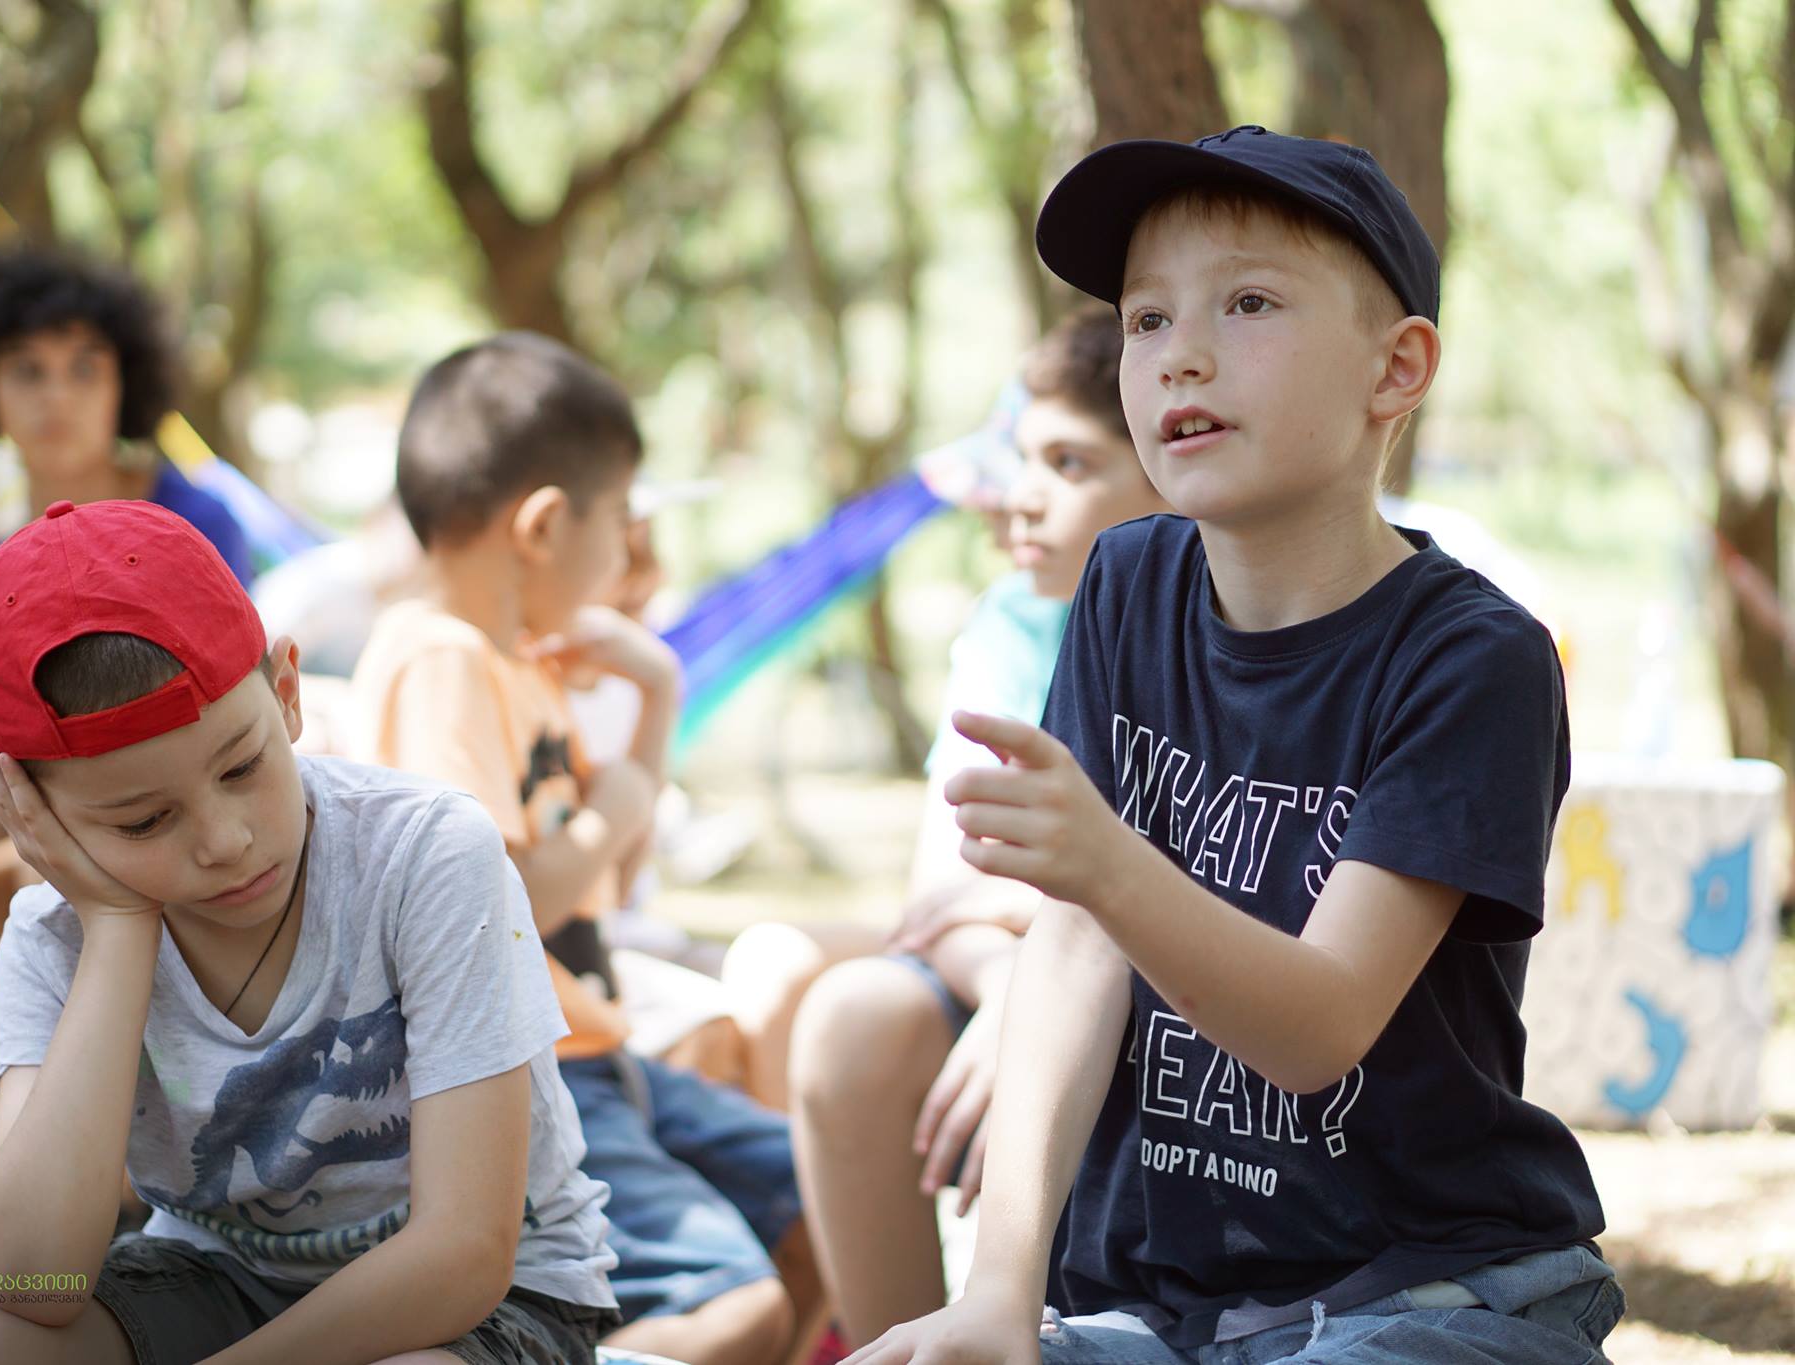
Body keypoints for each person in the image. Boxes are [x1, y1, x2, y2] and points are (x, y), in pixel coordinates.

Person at [850, 127, 1618, 1365]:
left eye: (1247, 303)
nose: (1179, 354)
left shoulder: (1471, 659)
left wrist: (1104, 865)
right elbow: (1072, 947)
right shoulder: (1126, 583)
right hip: (1163, 1313)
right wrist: (998, 1294)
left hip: (1427, 1297)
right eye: (1146, 319)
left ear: (1395, 368)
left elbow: (1318, 1030)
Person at [0, 498, 615, 1365]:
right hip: (219, 1276)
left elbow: (464, 1252)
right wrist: (119, 924)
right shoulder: (56, 937)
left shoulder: (425, 854)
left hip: (487, 1304)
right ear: (31, 811)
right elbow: (29, 1279)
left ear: (286, 693)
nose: (224, 840)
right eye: (143, 820)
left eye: (242, 767)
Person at [349, 333, 815, 1365]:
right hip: (530, 1077)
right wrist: (622, 800)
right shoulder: (439, 661)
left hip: (601, 1053)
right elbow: (500, 899)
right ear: (546, 525)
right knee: (732, 1310)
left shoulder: (520, 666)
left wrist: (655, 695)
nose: (627, 551)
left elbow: (615, 868)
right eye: (620, 519)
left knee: (826, 1196)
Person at [754, 308, 1171, 1347]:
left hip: (1171, 982)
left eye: (1068, 463)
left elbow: (1181, 889)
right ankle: (883, 1333)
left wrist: (1035, 921)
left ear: (1170, 469)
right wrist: (1010, 986)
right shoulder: (1009, 627)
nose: (1020, 496)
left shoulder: (1205, 627)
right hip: (1019, 964)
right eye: (1020, 459)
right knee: (841, 1008)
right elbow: (939, 895)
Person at [0, 246, 252, 1071]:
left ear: (124, 380)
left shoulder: (191, 516)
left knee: (28, 881)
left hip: (164, 802)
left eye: (84, 367)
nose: (57, 397)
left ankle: (81, 1136)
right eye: (27, 370)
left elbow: (223, 727)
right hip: (30, 803)